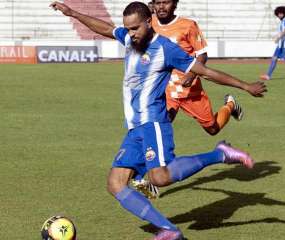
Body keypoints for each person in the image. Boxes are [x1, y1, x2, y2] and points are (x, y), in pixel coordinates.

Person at [50, 2, 266, 240]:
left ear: (148, 22)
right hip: (134, 127)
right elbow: (105, 29)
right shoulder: (131, 39)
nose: (130, 34)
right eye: (127, 29)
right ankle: (170, 230)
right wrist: (72, 13)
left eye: (135, 28)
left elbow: (206, 72)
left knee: (159, 178)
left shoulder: (166, 49)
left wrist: (245, 86)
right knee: (116, 184)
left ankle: (220, 154)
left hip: (153, 122)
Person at [152, 0, 243, 136]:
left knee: (212, 129)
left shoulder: (188, 25)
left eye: (166, 2)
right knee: (160, 126)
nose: (161, 6)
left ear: (175, 4)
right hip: (166, 89)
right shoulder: (149, 24)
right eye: (158, 2)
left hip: (189, 89)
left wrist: (192, 75)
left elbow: (202, 55)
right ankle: (157, 156)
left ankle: (230, 105)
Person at [260, 6, 285, 81]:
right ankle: (268, 75)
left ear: (284, 13)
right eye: (278, 14)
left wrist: (278, 38)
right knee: (274, 58)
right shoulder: (282, 22)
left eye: (281, 13)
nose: (279, 15)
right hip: (280, 45)